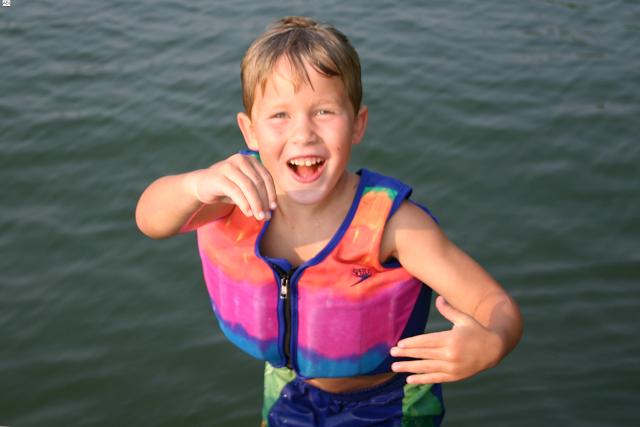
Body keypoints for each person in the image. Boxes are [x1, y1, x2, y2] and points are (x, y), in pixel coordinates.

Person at [135, 16, 523, 427]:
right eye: (279, 115)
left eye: (323, 111)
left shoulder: (395, 227)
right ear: (249, 131)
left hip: (389, 404)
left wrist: (492, 343)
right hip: (288, 384)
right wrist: (195, 184)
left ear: (357, 124)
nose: (303, 134)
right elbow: (150, 220)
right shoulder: (235, 196)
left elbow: (496, 306)